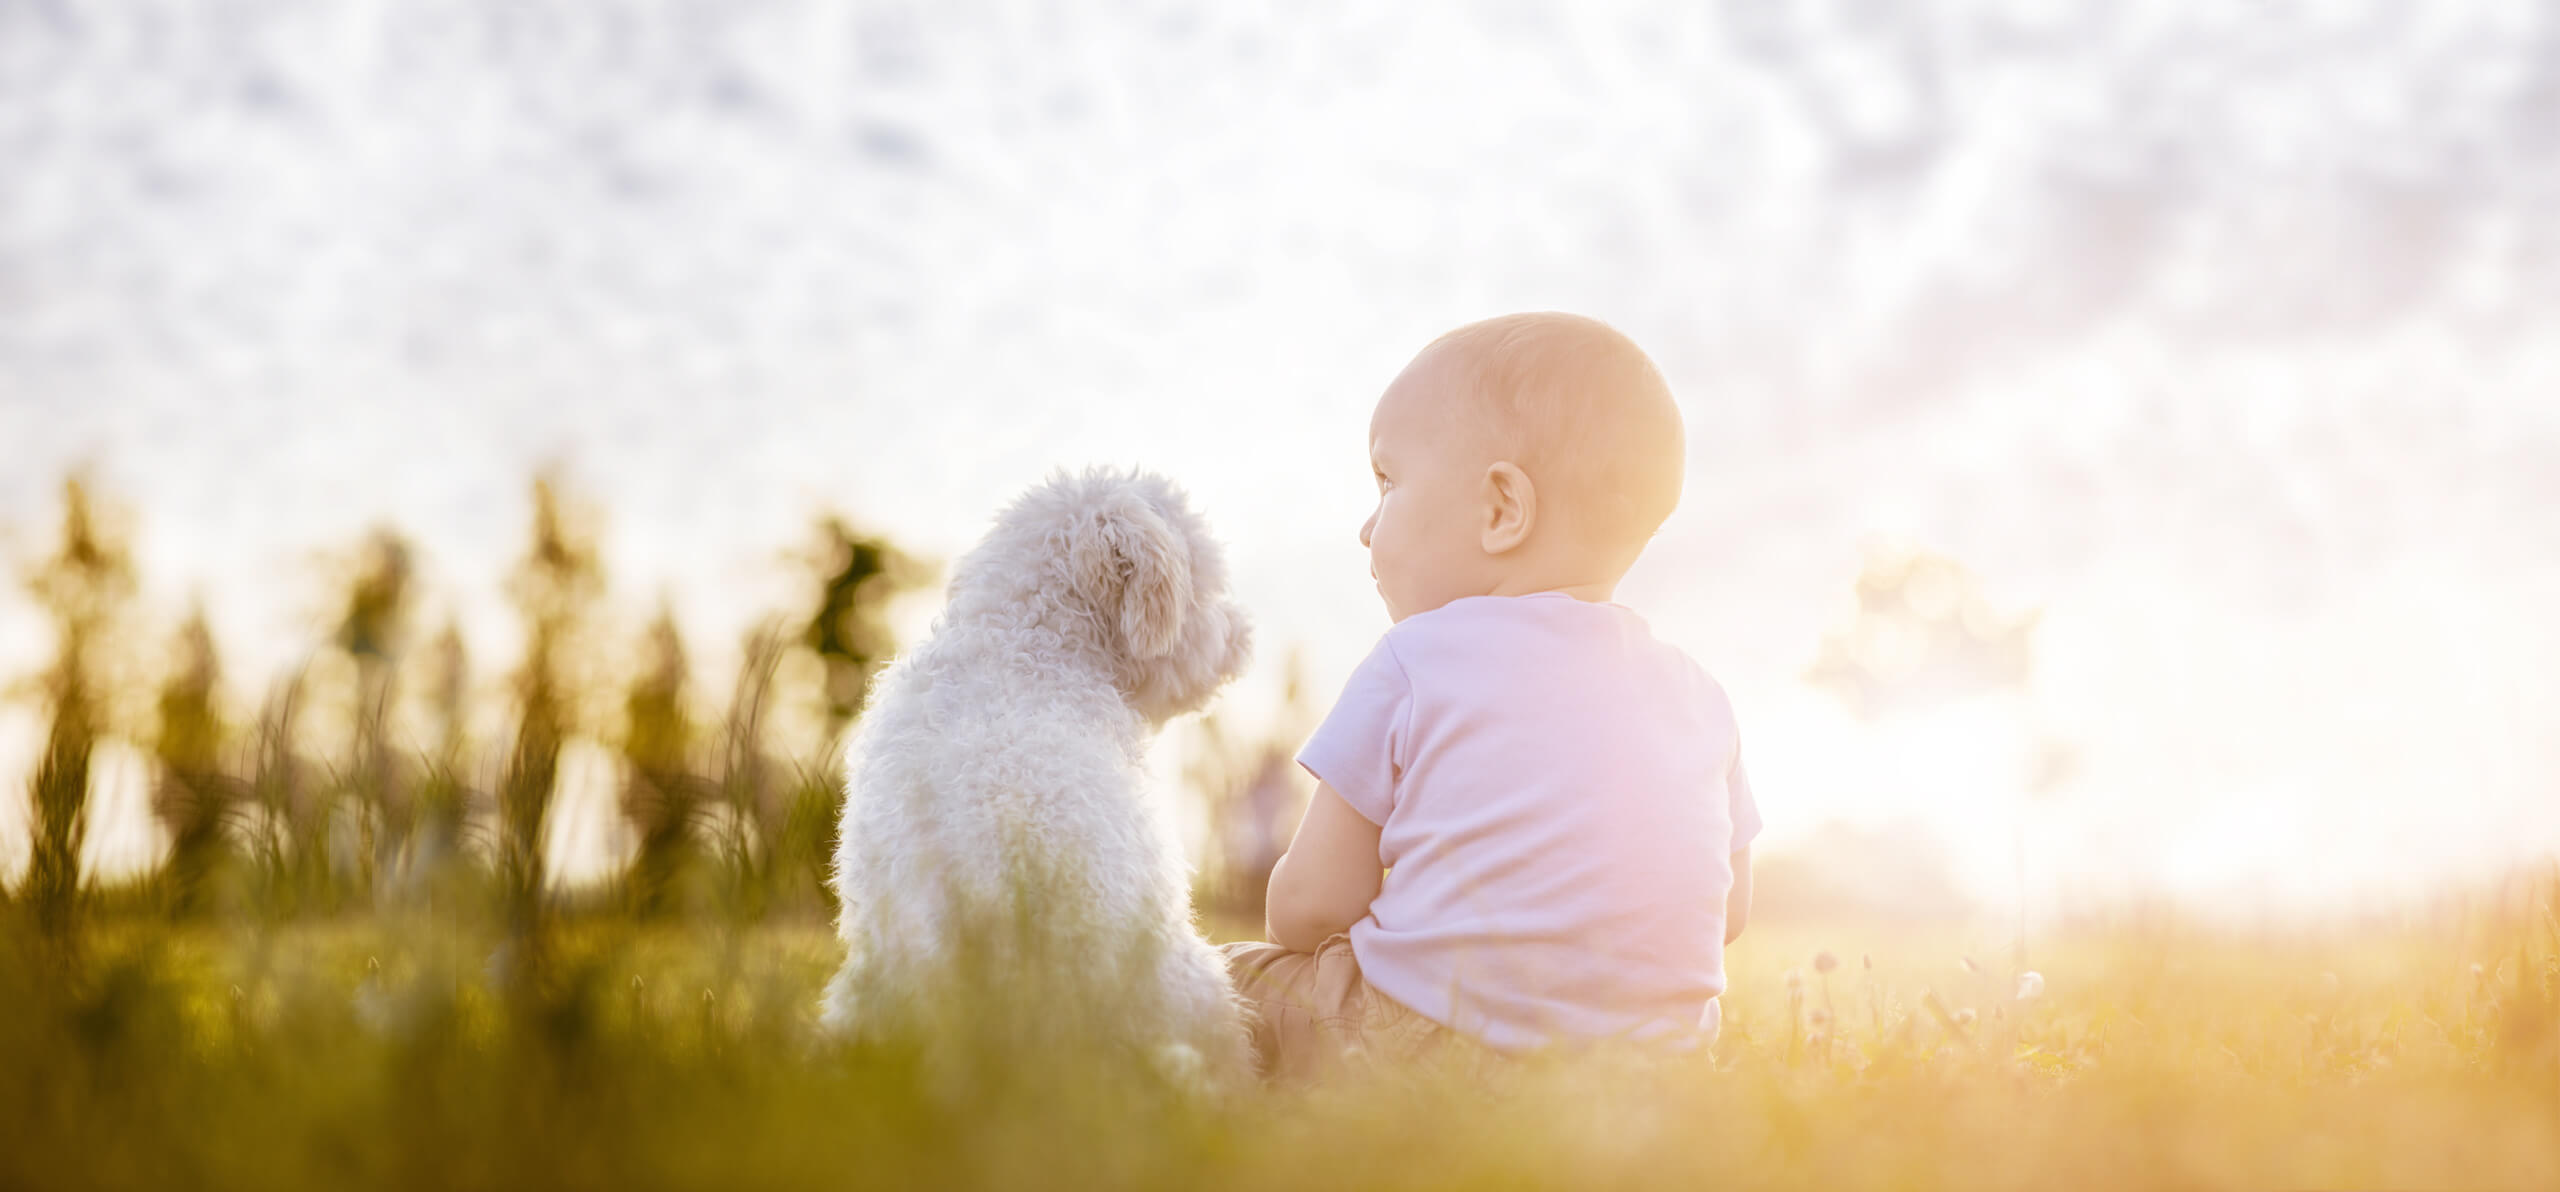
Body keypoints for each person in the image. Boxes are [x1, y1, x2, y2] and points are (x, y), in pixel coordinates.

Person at [1221, 312, 1762, 1083]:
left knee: (1222, 979)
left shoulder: (1415, 660)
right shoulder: (1701, 698)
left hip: (1418, 1049)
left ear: (1503, 509)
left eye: (1387, 482)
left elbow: (1309, 907)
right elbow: (1728, 915)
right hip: (1649, 1076)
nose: (1367, 528)